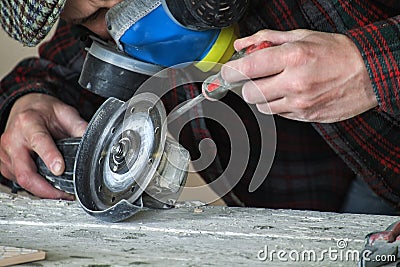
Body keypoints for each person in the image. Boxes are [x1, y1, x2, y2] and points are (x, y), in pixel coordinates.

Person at [0, 0, 399, 215]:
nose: (134, 17)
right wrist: (27, 103)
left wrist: (367, 66)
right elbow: (57, 69)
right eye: (101, 14)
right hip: (332, 206)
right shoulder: (113, 37)